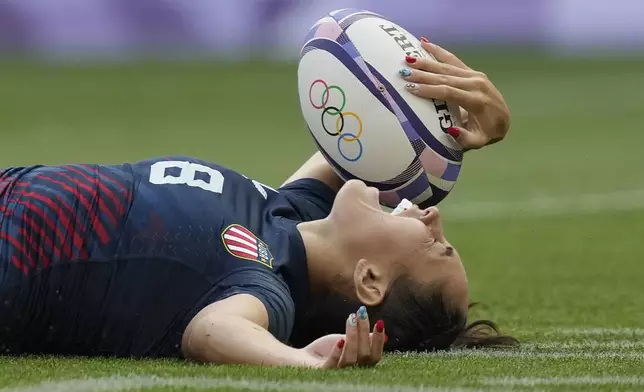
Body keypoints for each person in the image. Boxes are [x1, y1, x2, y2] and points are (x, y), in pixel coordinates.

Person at [0, 40, 516, 368]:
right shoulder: (288, 218)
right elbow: (365, 136)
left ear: (370, 281)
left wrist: (303, 363)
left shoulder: (265, 285)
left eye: (437, 246)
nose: (433, 215)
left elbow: (211, 332)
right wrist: (459, 132)